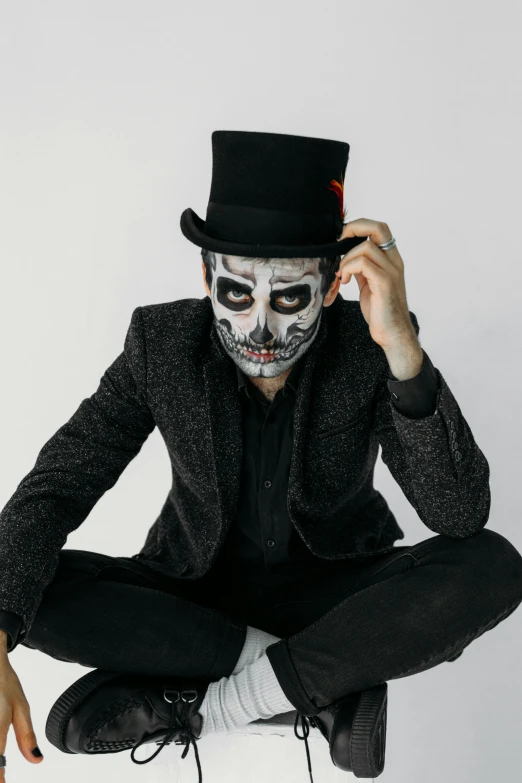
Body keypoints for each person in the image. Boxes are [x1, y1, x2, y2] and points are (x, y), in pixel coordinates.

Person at [1, 131, 522, 783]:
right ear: (205, 277)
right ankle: (319, 689)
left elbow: (459, 511)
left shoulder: (368, 348)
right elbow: (56, 488)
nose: (262, 330)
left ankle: (203, 704)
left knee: (492, 563)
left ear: (331, 286)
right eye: (238, 295)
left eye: (289, 297)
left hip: (336, 603)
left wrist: (401, 344)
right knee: (25, 581)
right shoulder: (159, 344)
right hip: (190, 601)